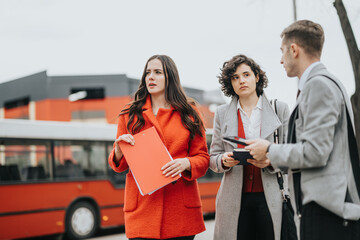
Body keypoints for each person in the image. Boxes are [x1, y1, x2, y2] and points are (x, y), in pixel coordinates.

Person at [245, 20, 360, 239]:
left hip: (328, 213)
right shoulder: (330, 83)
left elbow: (315, 152)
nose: (281, 60)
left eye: (282, 52)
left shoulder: (318, 86)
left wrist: (269, 150)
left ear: (294, 49)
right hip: (330, 211)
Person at [108, 55, 210, 240]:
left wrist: (185, 163)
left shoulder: (189, 113)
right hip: (142, 212)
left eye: (157, 72)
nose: (151, 77)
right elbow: (120, 165)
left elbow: (203, 158)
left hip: (180, 212)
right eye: (148, 72)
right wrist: (118, 151)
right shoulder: (129, 114)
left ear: (170, 77)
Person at [209, 54, 290, 240]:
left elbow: (291, 154)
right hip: (233, 201)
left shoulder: (280, 109)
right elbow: (213, 158)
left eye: (246, 75)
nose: (241, 81)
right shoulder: (221, 113)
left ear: (257, 77)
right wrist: (223, 160)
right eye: (235, 77)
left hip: (272, 197)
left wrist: (270, 161)